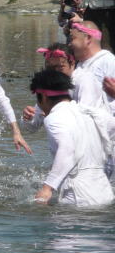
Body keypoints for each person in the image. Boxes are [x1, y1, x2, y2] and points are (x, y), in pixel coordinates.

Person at [30, 70, 114, 207]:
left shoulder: (54, 118)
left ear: (43, 97)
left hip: (79, 199)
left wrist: (47, 188)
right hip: (105, 193)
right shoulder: (92, 113)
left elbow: (68, 149)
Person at [69, 22, 115, 112]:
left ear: (88, 38)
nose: (69, 44)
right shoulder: (79, 65)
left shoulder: (109, 62)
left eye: (72, 39)